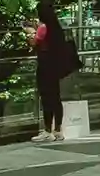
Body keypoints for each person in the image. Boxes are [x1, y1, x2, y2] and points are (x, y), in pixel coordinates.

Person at [31, 8, 80, 143]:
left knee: (46, 98)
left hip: (45, 67)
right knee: (56, 98)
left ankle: (47, 131)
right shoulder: (57, 29)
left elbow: (34, 43)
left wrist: (30, 34)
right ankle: (58, 130)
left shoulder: (43, 28)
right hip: (56, 67)